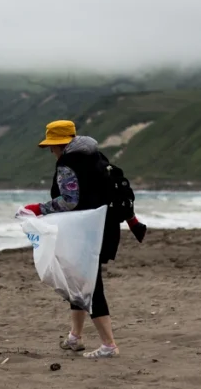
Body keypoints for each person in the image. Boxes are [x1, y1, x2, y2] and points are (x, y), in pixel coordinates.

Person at [20, 119, 142, 359]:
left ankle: (109, 345)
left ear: (61, 144)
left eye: (52, 147)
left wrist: (38, 208)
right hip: (105, 226)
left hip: (86, 232)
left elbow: (69, 201)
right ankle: (75, 337)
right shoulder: (96, 156)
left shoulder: (68, 163)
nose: (51, 152)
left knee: (89, 285)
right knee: (79, 280)